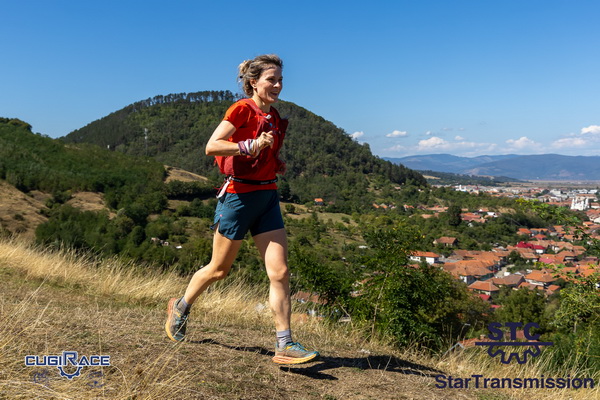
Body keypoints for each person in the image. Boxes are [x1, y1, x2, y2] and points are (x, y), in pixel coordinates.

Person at [165, 54, 319, 365]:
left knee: (280, 272)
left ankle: (284, 344)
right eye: (271, 80)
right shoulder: (241, 109)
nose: (278, 85)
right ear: (253, 82)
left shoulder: (273, 116)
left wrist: (274, 161)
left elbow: (264, 152)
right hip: (238, 198)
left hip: (267, 197)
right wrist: (248, 146)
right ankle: (180, 307)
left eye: (280, 80)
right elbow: (212, 145)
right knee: (218, 270)